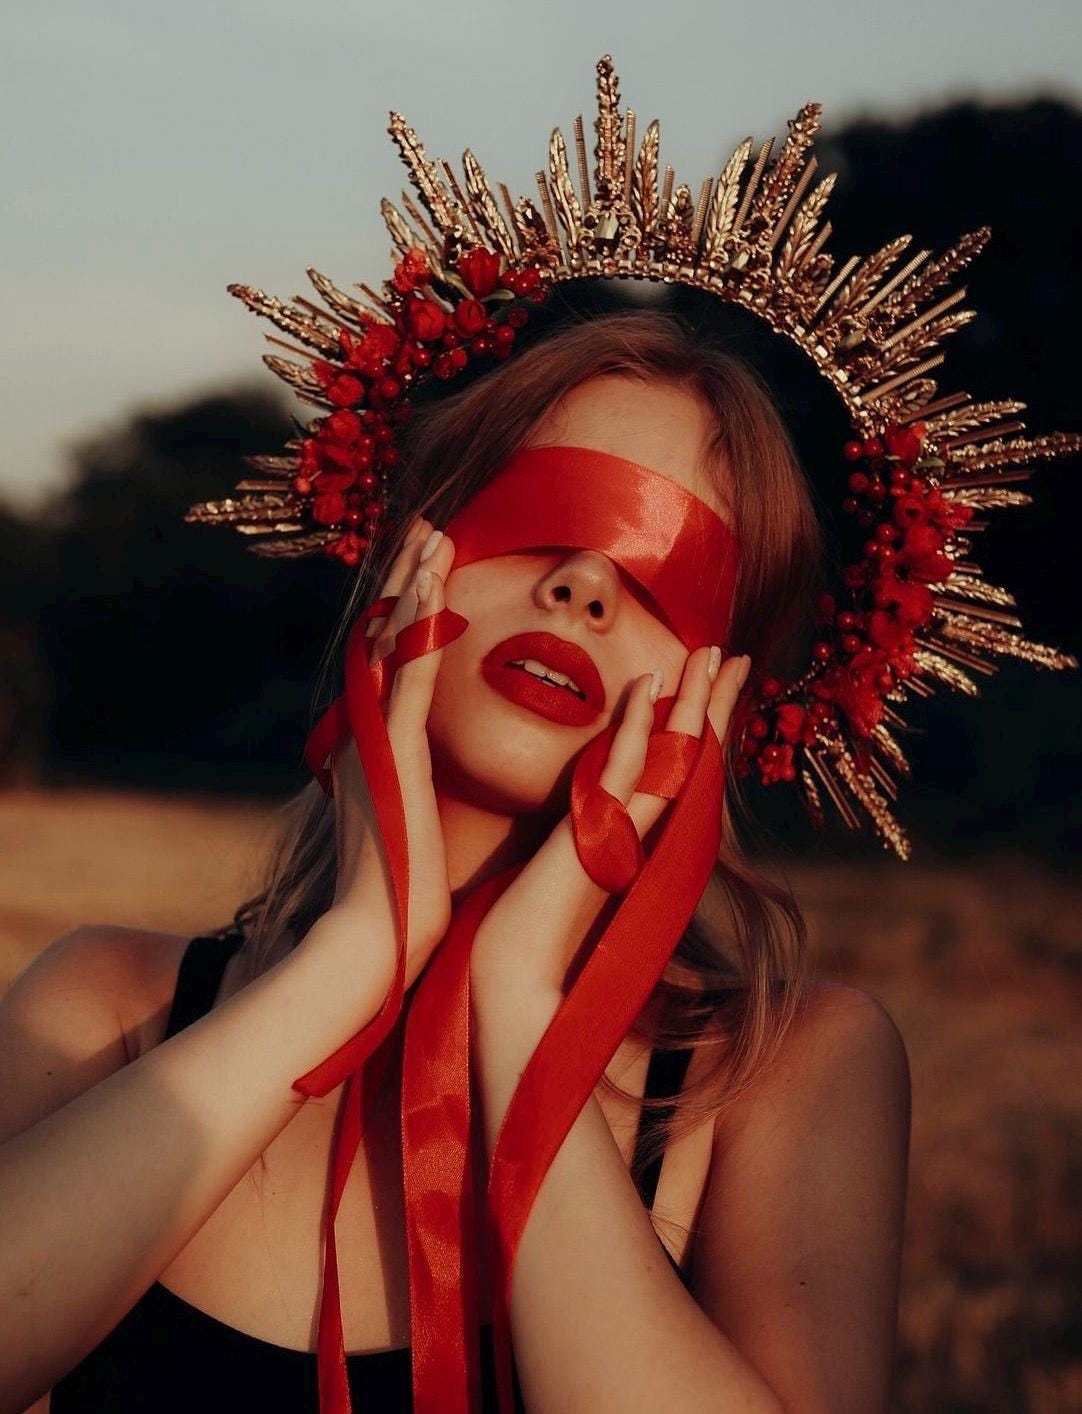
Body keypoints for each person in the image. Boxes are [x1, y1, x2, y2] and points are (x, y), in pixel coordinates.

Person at [0, 311, 911, 1414]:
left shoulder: (778, 1074)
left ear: (721, 693)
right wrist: (353, 956)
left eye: (667, 569)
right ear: (403, 557)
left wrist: (518, 1005)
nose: (583, 581)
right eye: (543, 515)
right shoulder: (106, 1009)